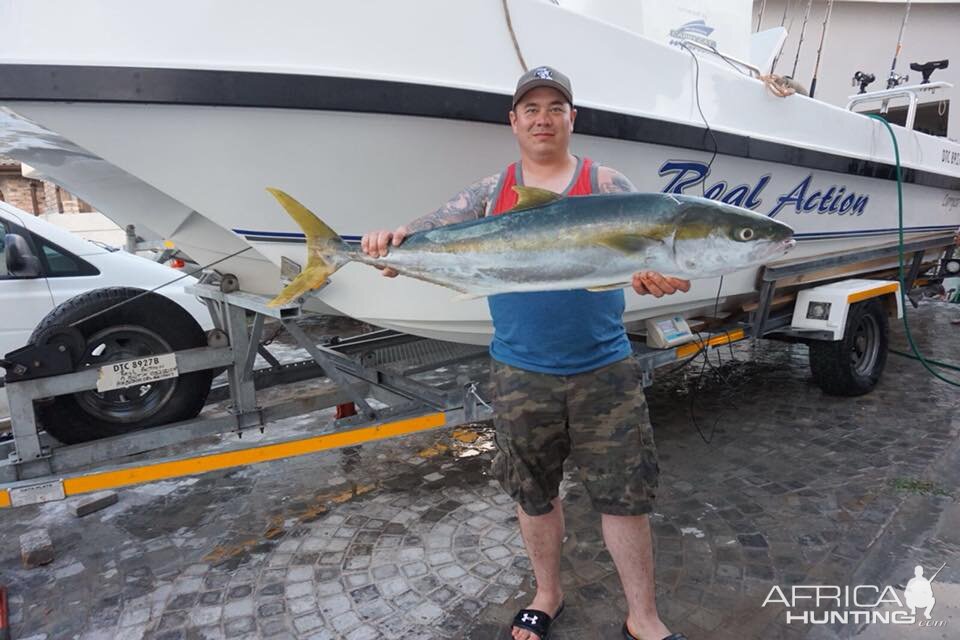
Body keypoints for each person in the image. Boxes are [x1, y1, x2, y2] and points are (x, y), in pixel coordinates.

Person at [362, 66, 688, 640]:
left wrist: (658, 275)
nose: (543, 118)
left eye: (555, 107)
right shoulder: (491, 192)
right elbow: (429, 229)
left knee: (625, 497)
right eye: (531, 108)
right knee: (533, 496)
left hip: (604, 369)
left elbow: (650, 248)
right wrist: (390, 243)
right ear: (513, 121)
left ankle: (644, 616)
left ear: (572, 118)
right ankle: (547, 594)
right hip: (521, 371)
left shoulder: (606, 183)